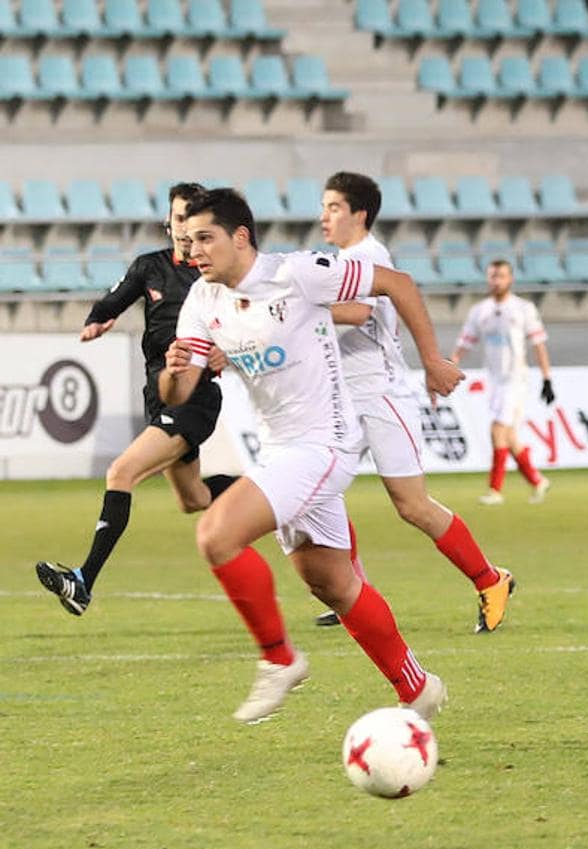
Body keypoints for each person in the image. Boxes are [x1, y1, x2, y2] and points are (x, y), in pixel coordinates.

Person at [161, 187, 461, 723]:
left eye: (205, 238)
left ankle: (280, 660)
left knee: (216, 535)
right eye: (188, 241)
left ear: (240, 237)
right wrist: (174, 370)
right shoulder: (204, 300)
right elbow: (180, 392)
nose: (194, 251)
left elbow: (397, 284)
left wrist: (433, 360)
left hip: (324, 443)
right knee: (333, 583)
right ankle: (416, 687)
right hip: (280, 449)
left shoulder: (298, 273)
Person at [306, 172, 515, 633]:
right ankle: (353, 594)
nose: (324, 216)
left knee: (412, 505)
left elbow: (359, 311)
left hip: (380, 394)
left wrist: (296, 311)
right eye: (324, 207)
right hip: (345, 400)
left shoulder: (367, 256)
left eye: (334, 207)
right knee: (318, 493)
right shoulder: (342, 259)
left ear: (359, 214)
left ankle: (490, 579)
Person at [35, 182, 238, 616]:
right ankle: (276, 493)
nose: (184, 229)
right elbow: (113, 301)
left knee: (121, 471)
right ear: (168, 222)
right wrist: (97, 320)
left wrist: (229, 350)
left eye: (192, 219)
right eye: (178, 218)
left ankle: (83, 580)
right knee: (194, 499)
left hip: (195, 397)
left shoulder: (213, 277)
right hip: (159, 394)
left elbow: (244, 324)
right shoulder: (150, 268)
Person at [451, 259, 554, 506]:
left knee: (497, 430)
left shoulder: (523, 308)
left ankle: (495, 490)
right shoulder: (480, 311)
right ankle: (537, 481)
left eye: (501, 276)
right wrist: (450, 363)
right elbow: (466, 342)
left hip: (515, 379)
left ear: (510, 279)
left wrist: (547, 378)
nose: (496, 281)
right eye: (493, 276)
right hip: (494, 380)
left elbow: (538, 344)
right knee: (508, 436)